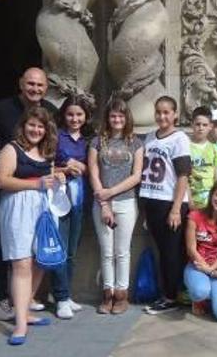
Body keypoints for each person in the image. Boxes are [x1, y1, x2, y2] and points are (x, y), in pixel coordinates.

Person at [0, 67, 57, 321]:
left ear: (46, 88)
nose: (35, 89)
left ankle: (22, 302)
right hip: (10, 191)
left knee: (36, 254)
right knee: (5, 248)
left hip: (39, 199)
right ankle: (1, 299)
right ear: (21, 84)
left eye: (40, 85)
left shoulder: (51, 111)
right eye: (30, 84)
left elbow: (54, 148)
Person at [0, 106, 65, 345]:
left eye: (41, 126)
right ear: (23, 125)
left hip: (43, 210)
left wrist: (59, 177)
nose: (36, 130)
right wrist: (36, 185)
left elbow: (49, 179)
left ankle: (25, 310)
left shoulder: (47, 152)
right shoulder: (11, 149)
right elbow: (2, 180)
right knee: (22, 263)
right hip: (18, 209)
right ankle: (20, 325)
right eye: (32, 125)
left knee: (41, 260)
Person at [88, 98, 143, 315]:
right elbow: (93, 171)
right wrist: (104, 202)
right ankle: (107, 293)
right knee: (106, 251)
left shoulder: (136, 143)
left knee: (122, 251)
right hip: (102, 204)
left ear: (126, 117)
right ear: (107, 118)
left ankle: (122, 294)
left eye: (121, 115)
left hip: (127, 202)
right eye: (113, 116)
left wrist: (111, 192)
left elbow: (136, 175)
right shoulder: (96, 142)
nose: (117, 119)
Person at [140, 96, 193, 315]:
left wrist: (175, 208)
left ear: (175, 114)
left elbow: (183, 175)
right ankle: (173, 293)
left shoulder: (180, 138)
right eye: (159, 112)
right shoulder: (149, 137)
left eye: (167, 112)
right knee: (163, 250)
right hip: (150, 198)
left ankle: (171, 296)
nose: (162, 116)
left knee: (172, 252)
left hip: (169, 202)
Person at [50, 95, 92, 319]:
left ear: (85, 117)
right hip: (60, 199)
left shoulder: (89, 140)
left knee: (72, 253)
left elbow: (94, 168)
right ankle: (60, 297)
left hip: (81, 200)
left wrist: (84, 167)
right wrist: (65, 168)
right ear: (63, 115)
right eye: (70, 114)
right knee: (60, 249)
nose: (74, 119)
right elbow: (45, 164)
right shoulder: (56, 136)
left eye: (79, 114)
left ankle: (66, 294)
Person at [183, 181, 217, 321]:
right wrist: (208, 270)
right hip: (197, 265)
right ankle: (199, 298)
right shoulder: (195, 216)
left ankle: (213, 297)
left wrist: (212, 270)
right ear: (211, 194)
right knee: (200, 291)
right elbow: (191, 249)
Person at [188, 106, 217, 209]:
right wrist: (190, 202)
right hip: (191, 200)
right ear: (192, 125)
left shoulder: (214, 149)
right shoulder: (185, 147)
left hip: (210, 201)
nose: (201, 128)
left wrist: (216, 200)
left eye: (205, 125)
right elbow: (184, 177)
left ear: (210, 126)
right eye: (198, 124)